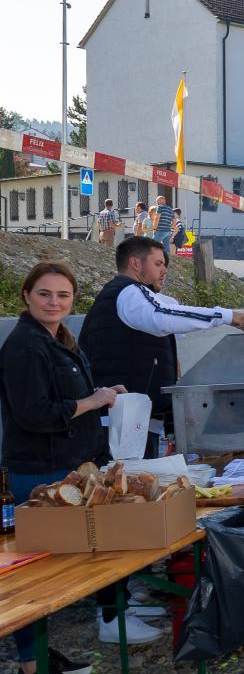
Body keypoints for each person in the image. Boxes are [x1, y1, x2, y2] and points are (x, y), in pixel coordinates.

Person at [0, 262, 127, 674]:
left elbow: (64, 396)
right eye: (44, 294)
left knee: (57, 571)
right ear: (26, 296)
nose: (54, 302)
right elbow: (33, 414)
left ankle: (37, 656)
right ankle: (29, 661)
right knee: (37, 575)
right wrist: (91, 402)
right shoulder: (24, 346)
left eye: (63, 295)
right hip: (40, 472)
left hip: (67, 466)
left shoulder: (60, 340)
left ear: (73, 300)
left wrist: (102, 394)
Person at [78, 237, 244, 459]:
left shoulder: (129, 295)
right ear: (135, 263)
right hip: (121, 422)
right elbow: (161, 316)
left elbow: (169, 312)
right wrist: (226, 315)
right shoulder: (129, 292)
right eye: (158, 264)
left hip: (129, 420)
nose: (164, 270)